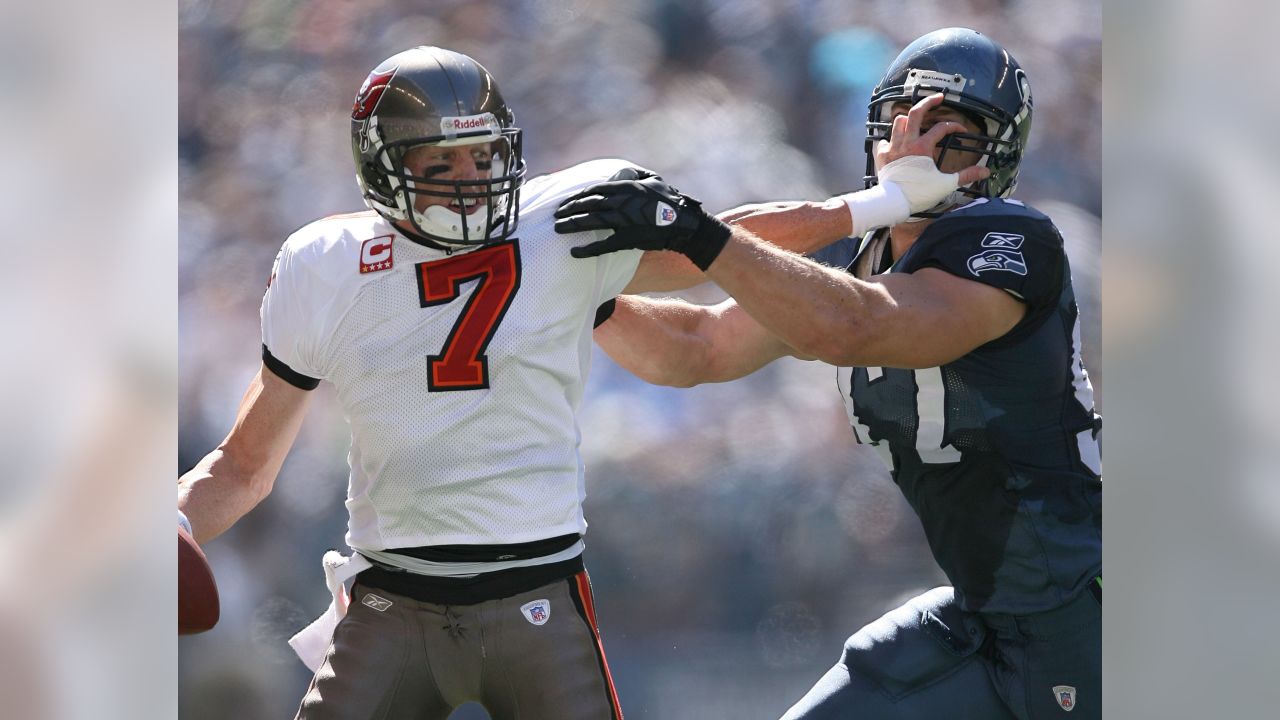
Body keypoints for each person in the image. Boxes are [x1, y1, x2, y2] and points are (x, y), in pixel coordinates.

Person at [176, 45, 978, 720]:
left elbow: (721, 241)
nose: (470, 178)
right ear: (384, 170)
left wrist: (879, 203)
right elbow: (243, 466)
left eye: (482, 156)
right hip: (393, 600)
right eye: (441, 161)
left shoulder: (557, 225)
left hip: (536, 593)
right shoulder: (327, 264)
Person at [557, 28, 1102, 719]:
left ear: (991, 164)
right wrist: (579, 300)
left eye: (953, 139)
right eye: (902, 126)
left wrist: (702, 233)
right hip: (981, 614)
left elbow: (860, 325)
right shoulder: (854, 250)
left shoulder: (1013, 243)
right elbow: (696, 346)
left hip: (1085, 613)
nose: (919, 150)